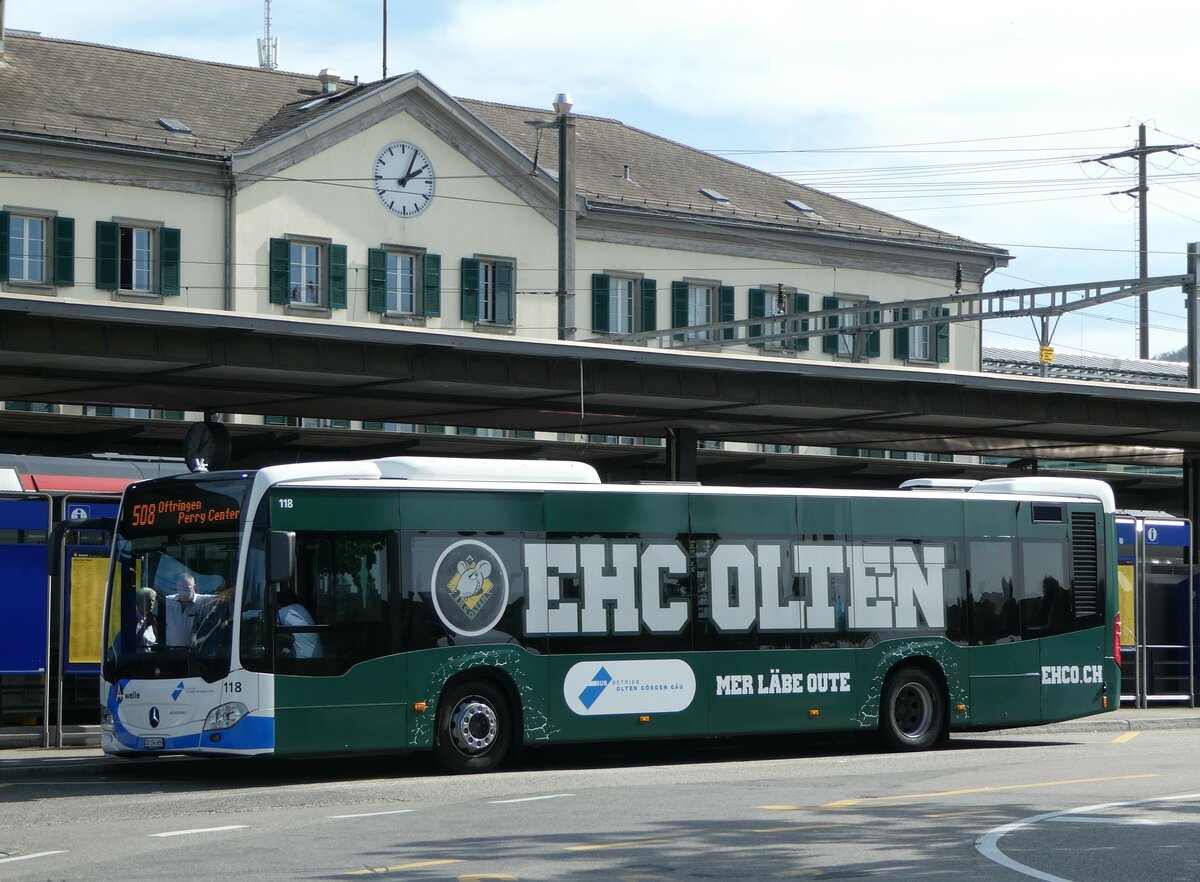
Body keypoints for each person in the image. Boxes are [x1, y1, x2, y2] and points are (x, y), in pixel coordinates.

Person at [162, 572, 221, 648]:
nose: (184, 591)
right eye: (181, 588)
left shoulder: (201, 600)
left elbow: (224, 597)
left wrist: (238, 588)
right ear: (177, 586)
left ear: (194, 587)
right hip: (169, 652)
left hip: (192, 653)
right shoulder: (168, 601)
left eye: (187, 588)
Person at [277, 589, 323, 659]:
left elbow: (268, 624)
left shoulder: (284, 612)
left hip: (303, 661)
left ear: (279, 603)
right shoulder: (301, 609)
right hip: (318, 657)